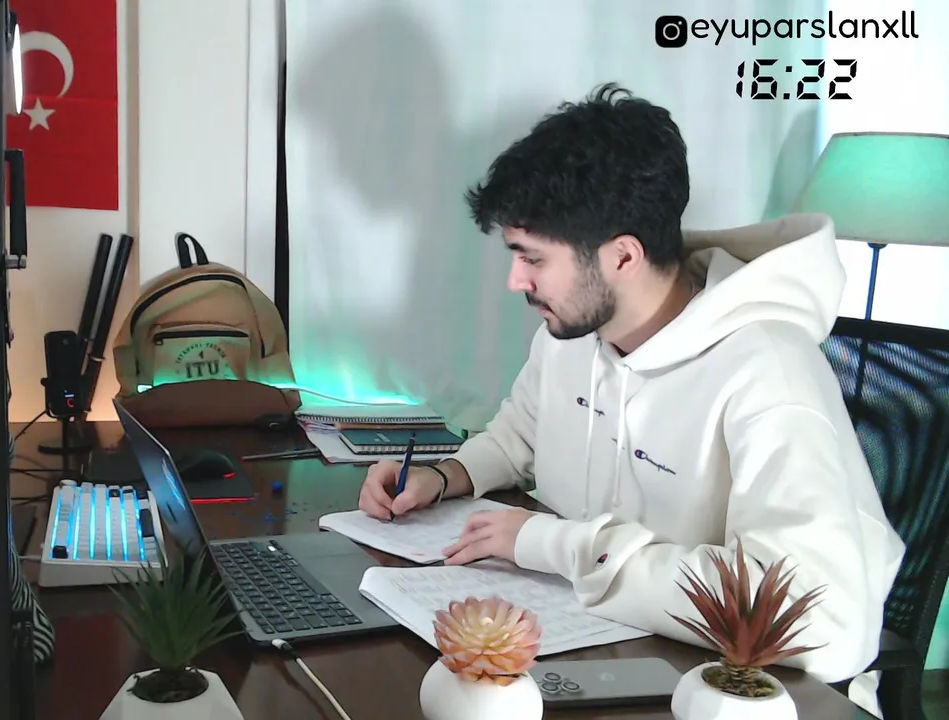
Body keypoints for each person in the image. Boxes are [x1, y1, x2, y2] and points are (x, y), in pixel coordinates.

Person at [357, 83, 904, 708]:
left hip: (734, 695)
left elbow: (817, 617)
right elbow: (519, 436)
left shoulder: (769, 371)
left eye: (532, 258)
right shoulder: (571, 333)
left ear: (622, 257)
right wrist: (444, 476)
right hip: (599, 649)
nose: (515, 280)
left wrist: (552, 544)